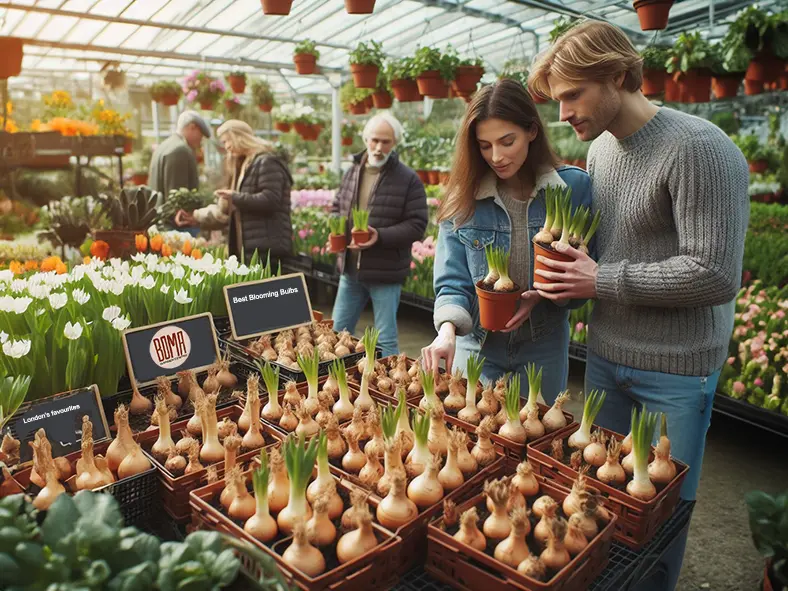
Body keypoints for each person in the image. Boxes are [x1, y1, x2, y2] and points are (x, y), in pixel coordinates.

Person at [527, 20, 749, 591]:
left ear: (619, 76)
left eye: (572, 95)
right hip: (606, 358)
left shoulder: (700, 149)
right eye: (557, 100)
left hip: (674, 371)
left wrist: (602, 280)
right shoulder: (602, 150)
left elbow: (715, 274)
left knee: (660, 518)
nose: (563, 114)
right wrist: (554, 277)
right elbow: (605, 256)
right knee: (599, 505)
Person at [422, 79, 592, 402]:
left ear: (532, 131)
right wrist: (446, 332)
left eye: (507, 141)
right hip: (477, 345)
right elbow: (452, 282)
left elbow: (584, 277)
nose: (496, 156)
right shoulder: (464, 199)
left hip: (544, 345)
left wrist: (541, 296)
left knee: (537, 438)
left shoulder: (572, 189)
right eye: (485, 146)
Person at [330, 113, 428, 357]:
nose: (378, 147)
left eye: (385, 141)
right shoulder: (353, 171)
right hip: (350, 270)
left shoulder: (408, 179)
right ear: (365, 139)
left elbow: (417, 224)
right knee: (337, 333)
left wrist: (380, 235)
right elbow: (337, 206)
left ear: (394, 143)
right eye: (374, 140)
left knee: (385, 341)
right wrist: (336, 232)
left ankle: (388, 390)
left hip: (386, 272)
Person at [192, 120, 293, 267]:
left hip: (268, 249)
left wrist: (235, 197)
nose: (226, 147)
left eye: (227, 141)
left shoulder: (266, 162)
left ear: (238, 137)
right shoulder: (246, 163)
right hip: (253, 247)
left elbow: (271, 199)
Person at [149, 110, 210, 200]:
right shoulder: (180, 151)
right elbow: (178, 198)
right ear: (192, 127)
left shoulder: (164, 145)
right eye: (201, 134)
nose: (201, 140)